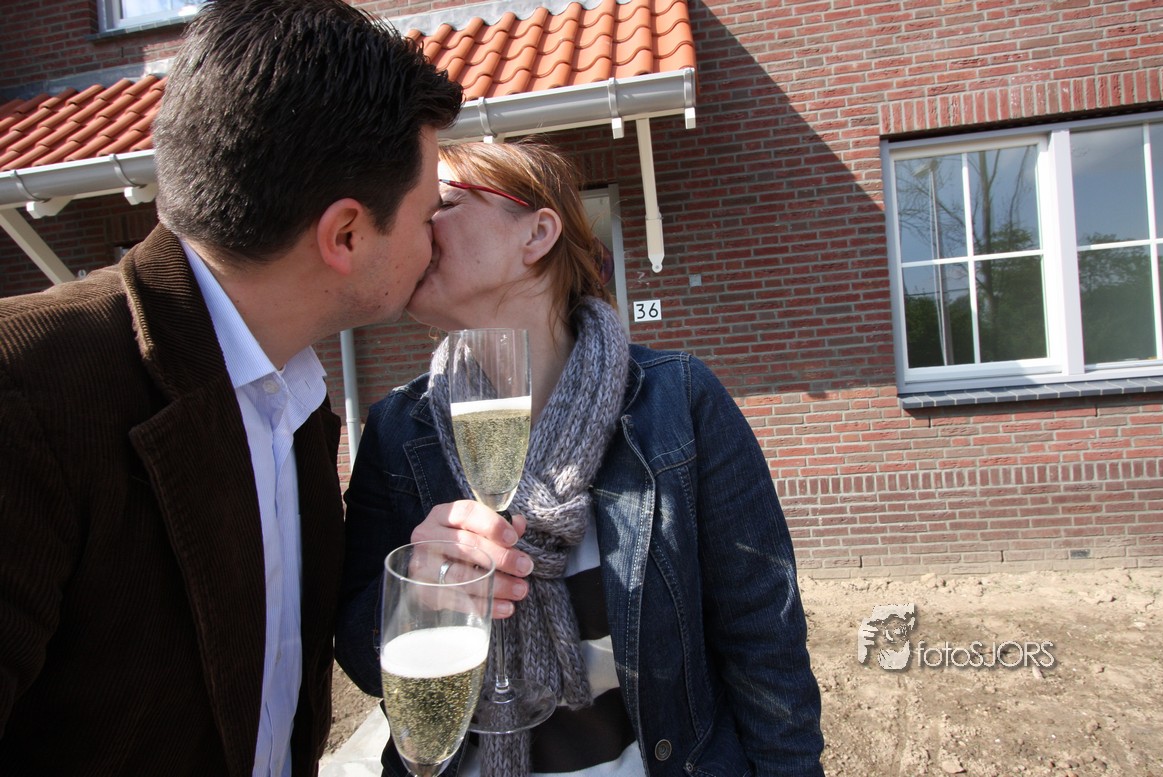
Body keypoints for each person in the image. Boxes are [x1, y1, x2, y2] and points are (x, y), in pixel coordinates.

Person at [0, 1, 462, 774]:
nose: (438, 240)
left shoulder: (295, 402)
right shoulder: (25, 392)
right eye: (428, 216)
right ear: (346, 235)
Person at [336, 139, 825, 776]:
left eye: (441, 204)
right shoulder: (400, 432)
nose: (415, 227)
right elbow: (359, 659)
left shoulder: (677, 405)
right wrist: (417, 594)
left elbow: (764, 637)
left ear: (537, 234)